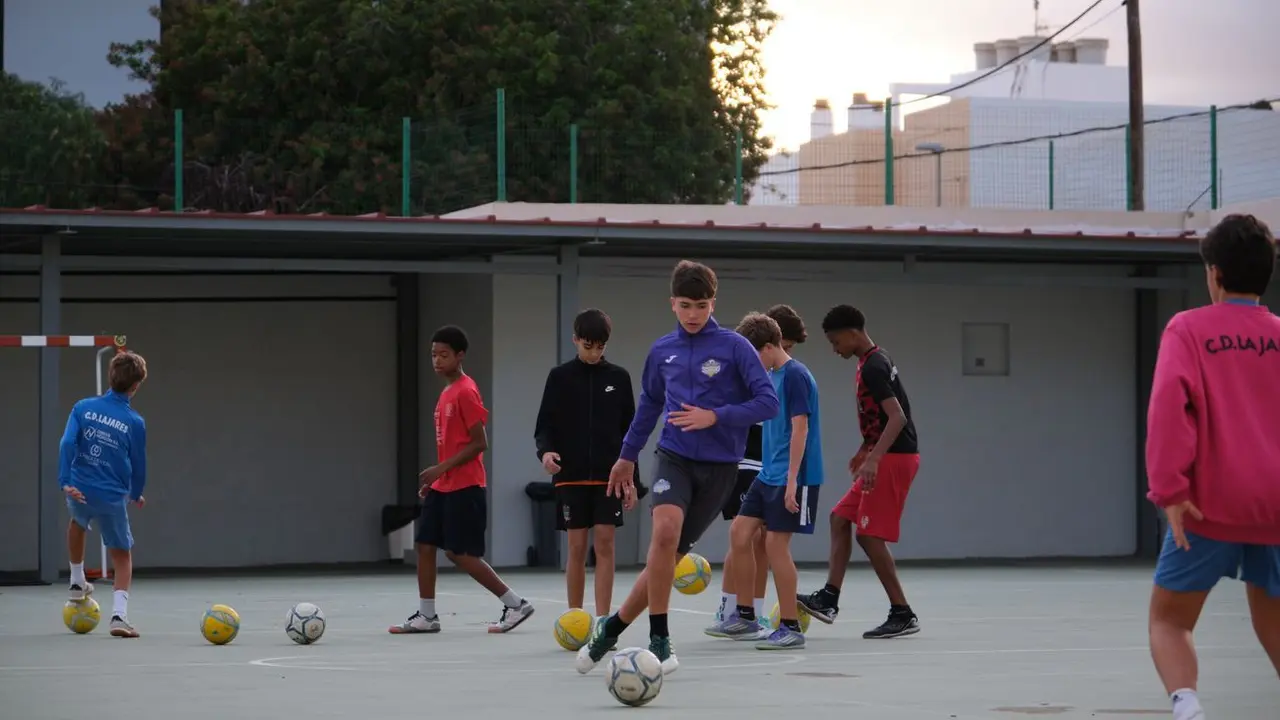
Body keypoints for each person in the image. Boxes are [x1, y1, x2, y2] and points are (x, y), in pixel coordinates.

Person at [575, 260, 780, 675]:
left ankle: (611, 629)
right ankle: (660, 639)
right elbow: (649, 405)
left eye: (701, 305)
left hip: (720, 468)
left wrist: (715, 416)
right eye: (685, 305)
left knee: (667, 558)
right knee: (664, 534)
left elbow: (768, 403)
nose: (693, 314)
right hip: (674, 457)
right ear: (672, 303)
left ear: (713, 303)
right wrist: (626, 457)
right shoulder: (661, 351)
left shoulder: (735, 348)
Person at [1144, 213, 1280, 720]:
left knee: (1170, 621)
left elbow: (1168, 409)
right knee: (1273, 619)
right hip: (1275, 508)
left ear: (1215, 274)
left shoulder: (1188, 329)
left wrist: (1170, 490)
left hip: (1207, 507)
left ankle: (1188, 707)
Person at [389, 325, 535, 635]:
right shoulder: (446, 392)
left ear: (460, 356)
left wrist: (440, 469)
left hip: (466, 485)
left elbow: (479, 443)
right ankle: (427, 615)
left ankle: (515, 603)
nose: (437, 361)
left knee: (460, 553)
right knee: (425, 544)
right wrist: (437, 478)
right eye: (433, 355)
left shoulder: (466, 391)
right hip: (444, 485)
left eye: (444, 355)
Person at [798, 304, 921, 639]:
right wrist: (865, 448)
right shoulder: (873, 360)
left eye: (836, 342)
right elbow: (877, 417)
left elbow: (897, 417)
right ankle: (829, 599)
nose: (835, 349)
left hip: (894, 458)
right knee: (840, 519)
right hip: (885, 454)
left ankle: (902, 612)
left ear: (853, 334)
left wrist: (875, 459)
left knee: (868, 535)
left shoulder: (874, 366)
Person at [711, 312, 823, 650]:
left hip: (794, 476)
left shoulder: (796, 375)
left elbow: (800, 429)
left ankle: (790, 626)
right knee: (739, 532)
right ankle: (745, 616)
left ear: (769, 347)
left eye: (753, 356)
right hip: (768, 474)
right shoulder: (772, 375)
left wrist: (792, 481)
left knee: (775, 546)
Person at [534, 308, 636, 619]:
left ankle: (603, 620)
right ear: (575, 340)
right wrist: (546, 453)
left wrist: (632, 481)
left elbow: (630, 433)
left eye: (600, 347)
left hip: (610, 477)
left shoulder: (619, 378)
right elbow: (544, 426)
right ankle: (575, 618)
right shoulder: (559, 377)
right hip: (571, 476)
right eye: (587, 346)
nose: (593, 353)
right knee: (576, 547)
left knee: (605, 544)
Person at [60, 350, 149, 639]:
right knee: (121, 556)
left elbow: (67, 443)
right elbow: (139, 464)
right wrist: (136, 492)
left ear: (111, 377)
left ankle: (76, 581)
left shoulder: (82, 407)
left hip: (79, 487)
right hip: (111, 495)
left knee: (77, 522)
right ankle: (119, 617)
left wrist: (65, 481)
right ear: (135, 386)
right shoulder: (134, 421)